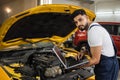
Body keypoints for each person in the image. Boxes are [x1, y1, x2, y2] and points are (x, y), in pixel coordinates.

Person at [71, 9, 119, 80]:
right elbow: (95, 47)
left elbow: (95, 60)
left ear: (87, 17)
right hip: (110, 64)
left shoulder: (94, 31)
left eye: (80, 20)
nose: (78, 24)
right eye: (76, 22)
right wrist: (83, 52)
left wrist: (75, 66)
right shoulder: (93, 27)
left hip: (106, 67)